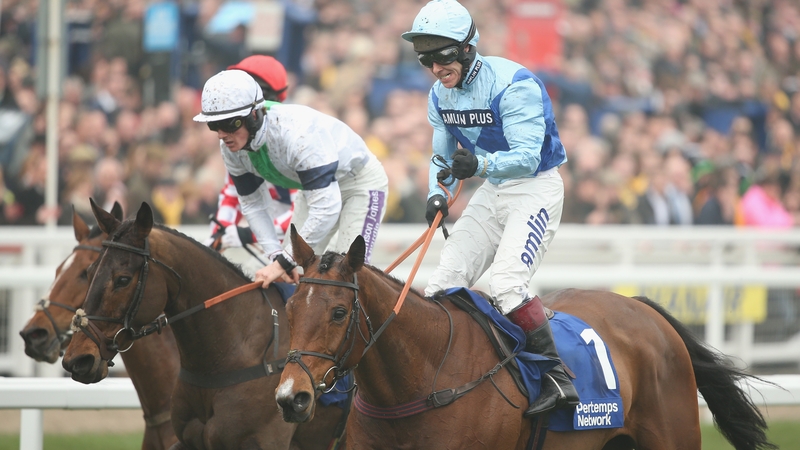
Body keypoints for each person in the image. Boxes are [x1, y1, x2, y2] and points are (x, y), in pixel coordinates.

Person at [401, 0, 578, 416]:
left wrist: (479, 164)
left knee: (507, 285)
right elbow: (442, 158)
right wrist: (436, 194)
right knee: (441, 286)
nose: (433, 66)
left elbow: (528, 156)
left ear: (466, 48)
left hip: (535, 189)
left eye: (441, 54)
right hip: (493, 190)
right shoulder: (438, 94)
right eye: (424, 56)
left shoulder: (515, 85)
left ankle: (557, 376)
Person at [193, 69, 389, 288]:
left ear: (254, 115)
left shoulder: (298, 134)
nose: (221, 134)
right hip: (317, 191)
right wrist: (275, 256)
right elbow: (253, 205)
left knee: (346, 278)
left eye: (230, 124)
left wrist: (280, 264)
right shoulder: (230, 147)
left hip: (359, 184)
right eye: (214, 126)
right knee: (291, 272)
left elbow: (326, 208)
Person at [204, 55, 297, 252]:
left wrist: (245, 234)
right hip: (272, 234)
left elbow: (302, 214)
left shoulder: (290, 139)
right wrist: (218, 232)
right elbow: (232, 195)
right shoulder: (237, 145)